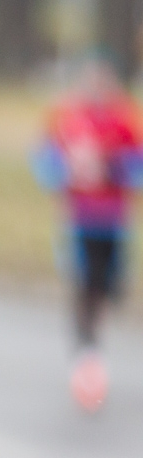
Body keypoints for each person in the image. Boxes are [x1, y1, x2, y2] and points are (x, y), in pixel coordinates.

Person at [32, 56, 143, 411]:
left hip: (115, 222)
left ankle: (91, 347)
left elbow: (138, 166)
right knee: (85, 286)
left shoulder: (124, 120)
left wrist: (112, 168)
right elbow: (45, 163)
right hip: (78, 221)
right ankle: (87, 357)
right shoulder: (67, 118)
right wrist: (65, 173)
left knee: (110, 290)